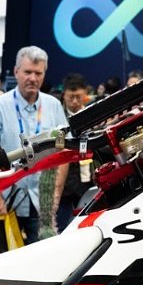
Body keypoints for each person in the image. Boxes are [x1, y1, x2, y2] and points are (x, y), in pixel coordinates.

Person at [0, 45, 68, 243]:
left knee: (43, 262)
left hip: (42, 202)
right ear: (16, 71)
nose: (33, 78)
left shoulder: (54, 106)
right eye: (28, 72)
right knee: (4, 264)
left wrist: (55, 196)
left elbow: (63, 155)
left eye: (38, 73)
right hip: (6, 201)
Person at [57, 73, 91, 232]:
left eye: (78, 96)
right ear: (64, 95)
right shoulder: (57, 117)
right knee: (61, 229)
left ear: (85, 94)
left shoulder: (94, 116)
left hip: (89, 180)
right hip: (64, 184)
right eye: (71, 97)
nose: (75, 101)